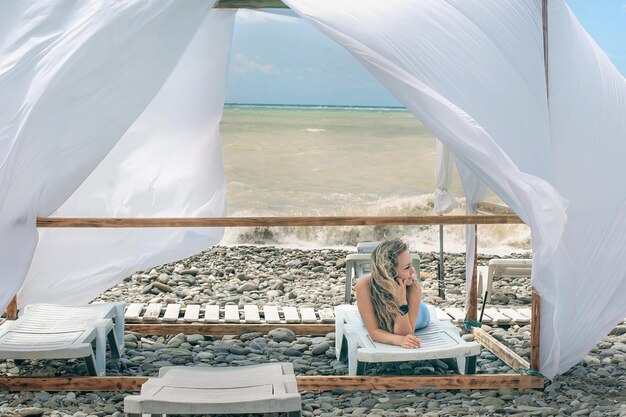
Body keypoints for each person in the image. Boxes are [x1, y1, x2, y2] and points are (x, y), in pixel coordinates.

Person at [355, 239, 430, 349]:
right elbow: (374, 332)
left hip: (420, 315)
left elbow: (405, 335)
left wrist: (401, 301)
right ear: (389, 272)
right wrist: (399, 340)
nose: (413, 271)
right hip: (385, 314)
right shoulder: (364, 286)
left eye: (411, 265)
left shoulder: (413, 288)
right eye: (407, 267)